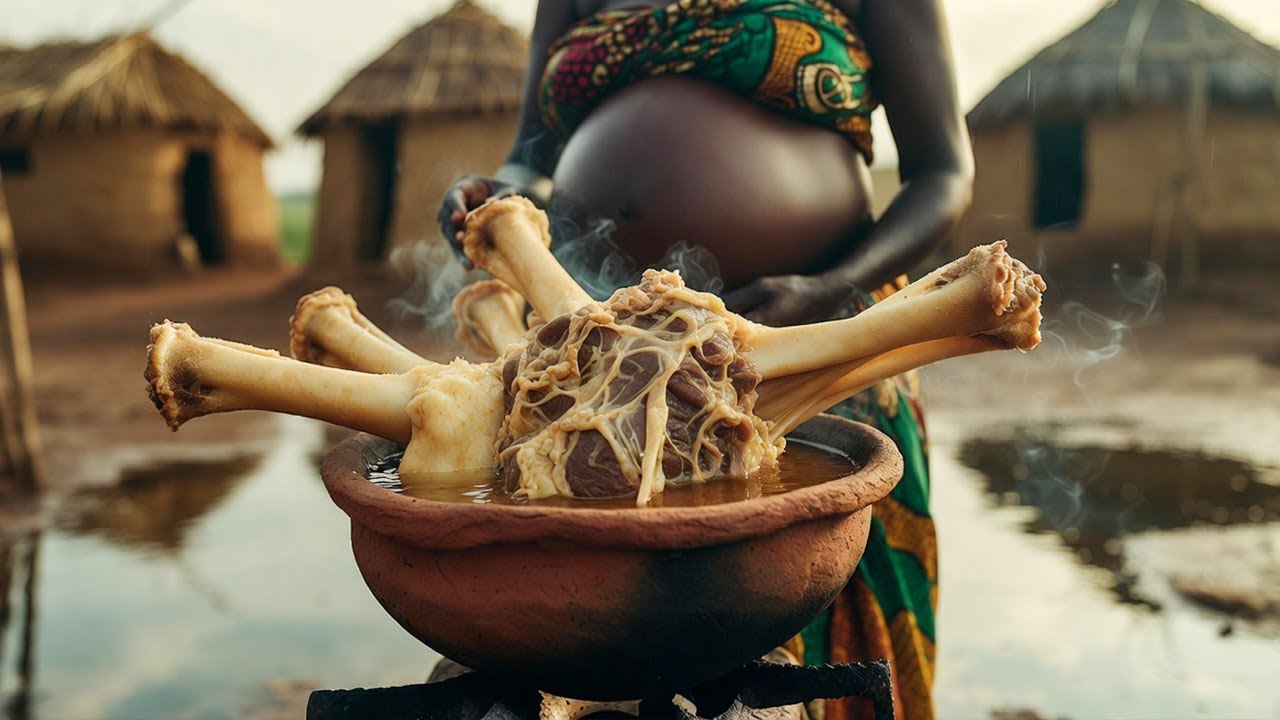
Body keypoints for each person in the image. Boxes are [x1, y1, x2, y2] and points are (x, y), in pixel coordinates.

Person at [440, 1, 973, 717]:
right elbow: (530, 162)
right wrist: (497, 199)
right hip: (596, 359)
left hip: (808, 349)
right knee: (592, 624)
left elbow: (942, 174)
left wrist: (826, 288)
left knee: (817, 632)